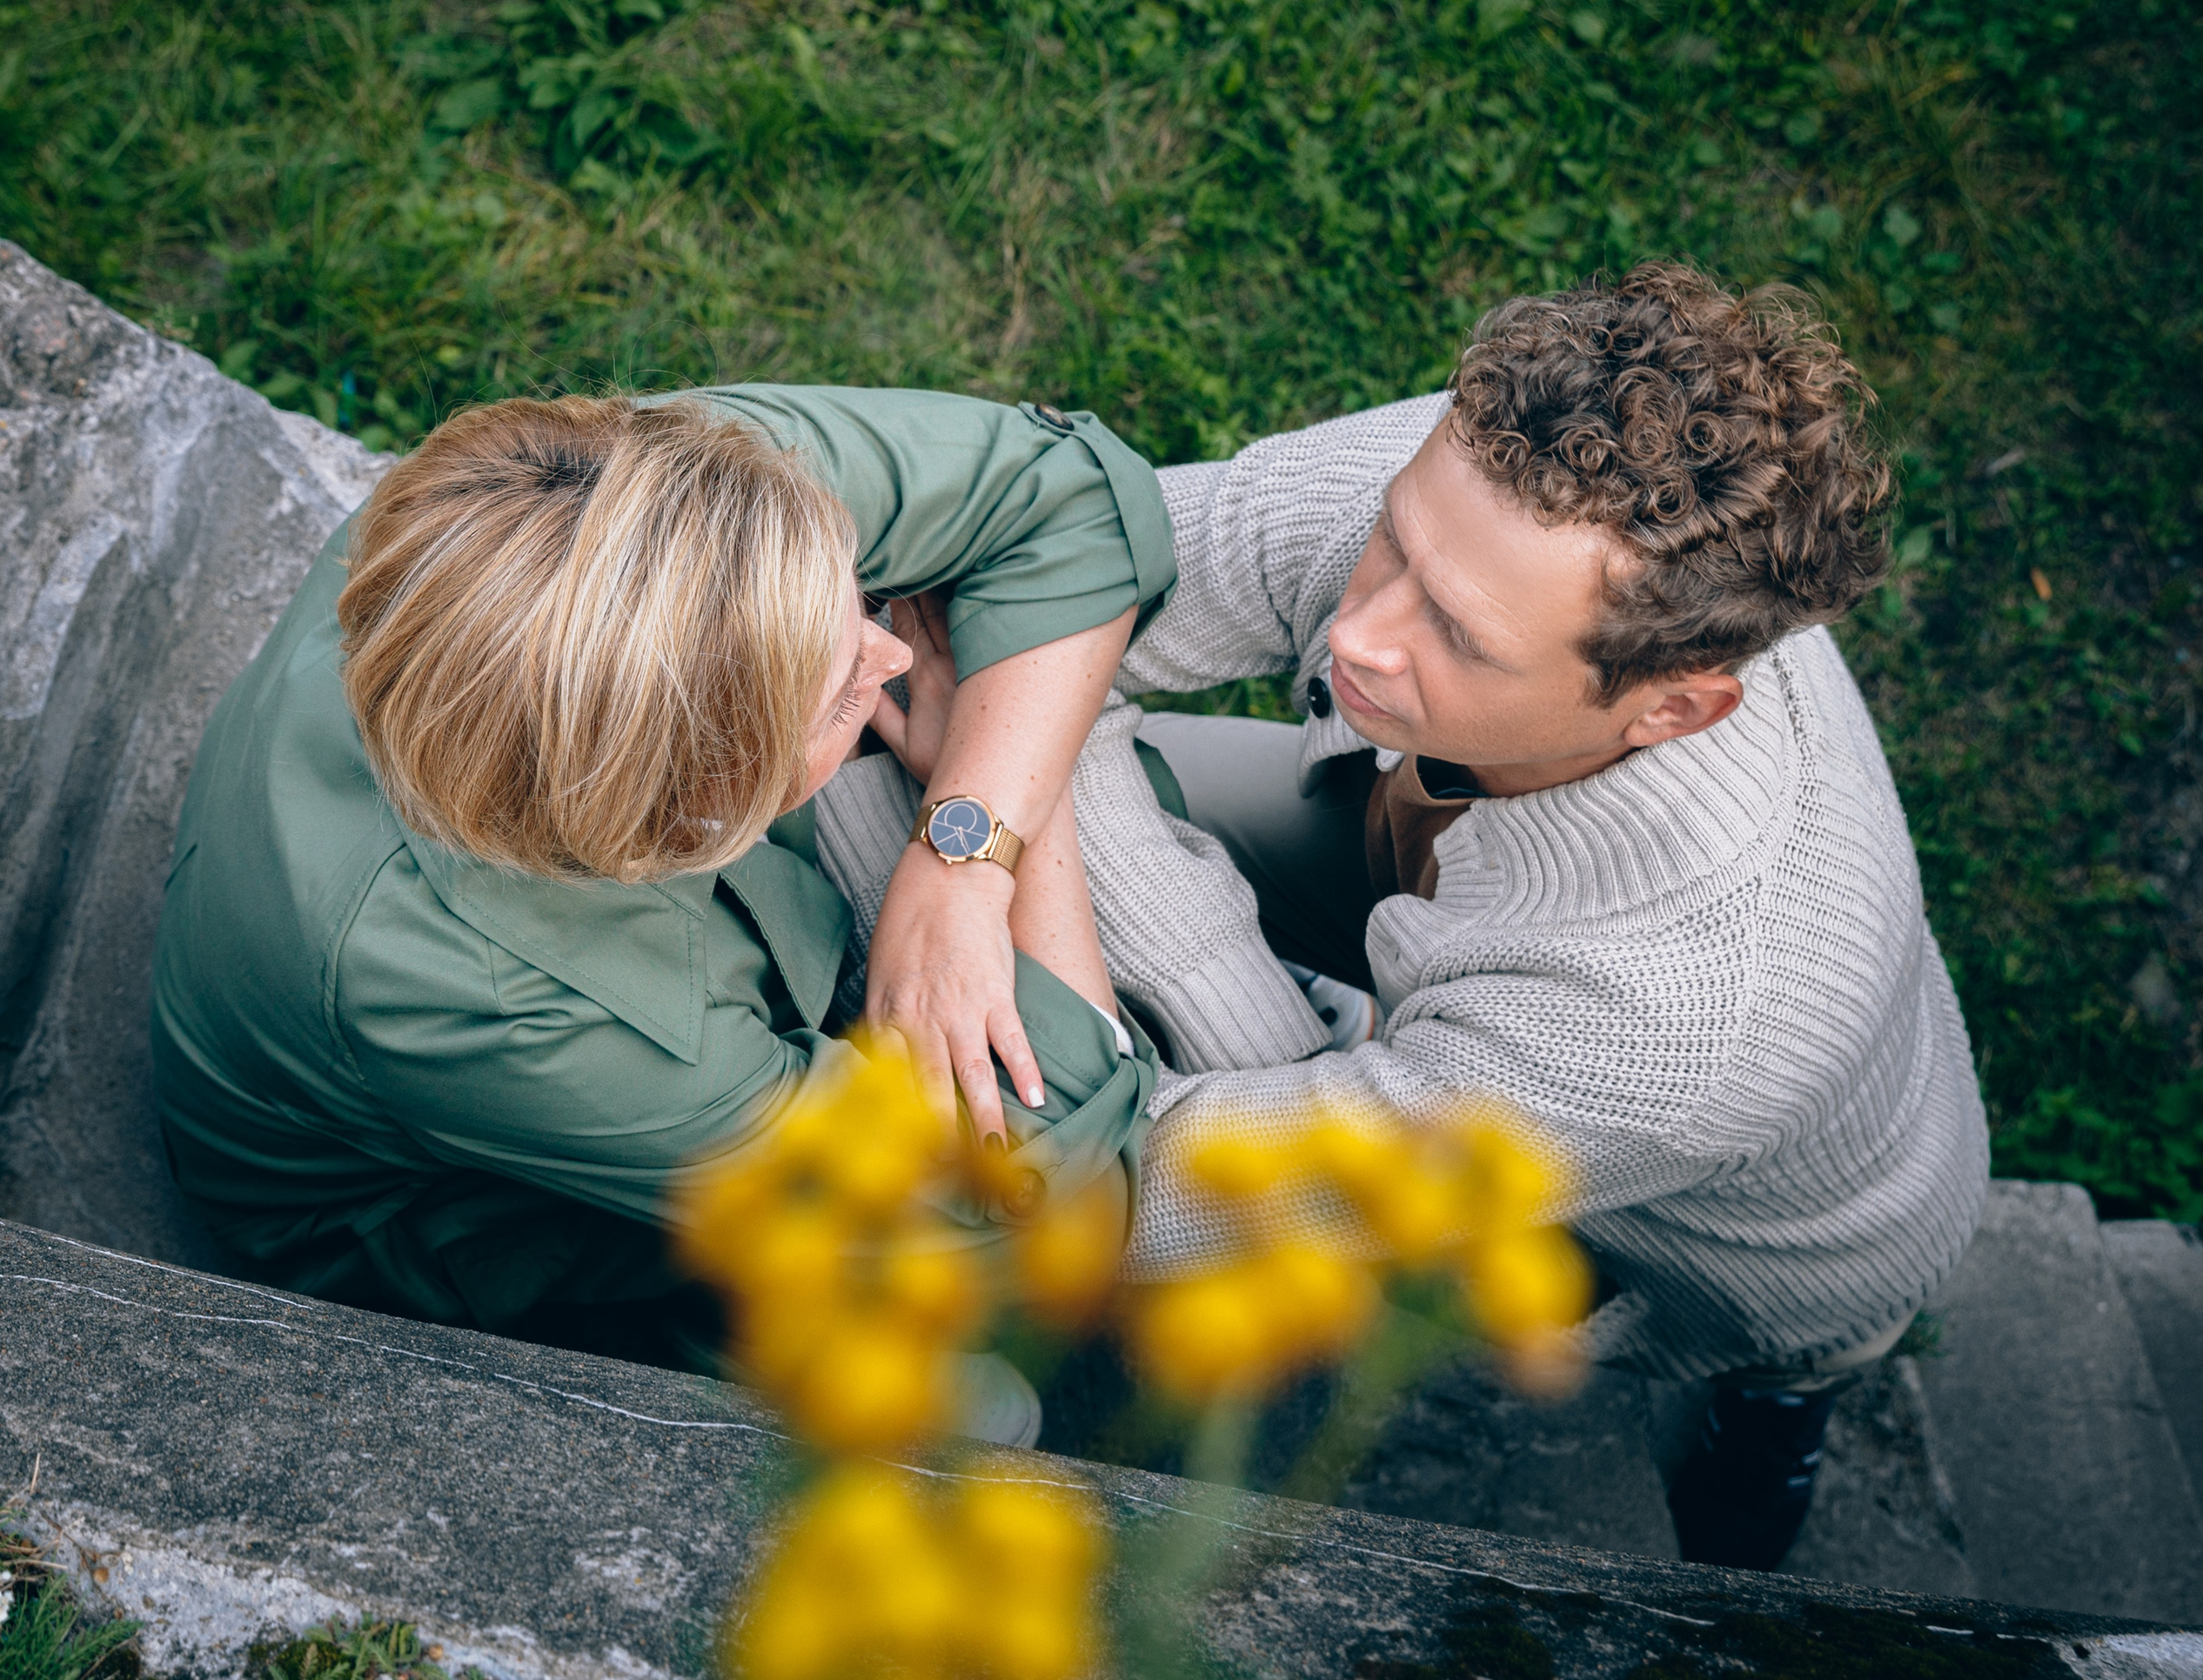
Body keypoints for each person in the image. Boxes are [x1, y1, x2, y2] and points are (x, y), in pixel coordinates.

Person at [827, 264, 1992, 1565]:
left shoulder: (1685, 1025)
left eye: (1459, 634)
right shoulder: (1504, 484)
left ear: (1670, 707)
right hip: (1433, 848)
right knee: (965, 749)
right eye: (1390, 541)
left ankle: (1767, 1451)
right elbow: (1054, 574)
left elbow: (1133, 1193)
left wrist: (990, 818)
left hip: (1743, 1239)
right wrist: (979, 838)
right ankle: (1309, 1017)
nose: (1358, 636)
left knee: (1730, 1434)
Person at [150, 386, 1168, 1443]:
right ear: (696, 816)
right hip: (499, 1212)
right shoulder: (499, 999)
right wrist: (1019, 804)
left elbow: (1069, 494)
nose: (897, 656)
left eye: (861, 597)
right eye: (835, 700)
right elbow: (1044, 1212)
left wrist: (963, 849)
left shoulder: (621, 512)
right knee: (971, 1413)